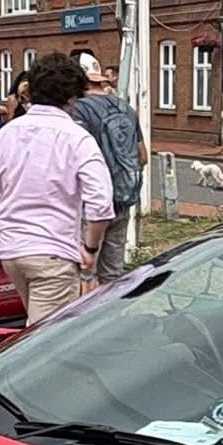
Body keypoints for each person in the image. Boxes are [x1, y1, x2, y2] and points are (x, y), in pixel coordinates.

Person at [0, 55, 113, 324]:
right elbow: (101, 203)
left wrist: (1, 237)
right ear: (72, 97)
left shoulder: (3, 136)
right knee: (47, 340)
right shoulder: (77, 138)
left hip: (12, 252)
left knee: (34, 332)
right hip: (53, 253)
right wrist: (90, 249)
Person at [73, 54, 149, 283]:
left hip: (91, 203)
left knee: (85, 273)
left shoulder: (78, 110)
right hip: (124, 198)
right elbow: (143, 156)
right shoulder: (126, 108)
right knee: (113, 275)